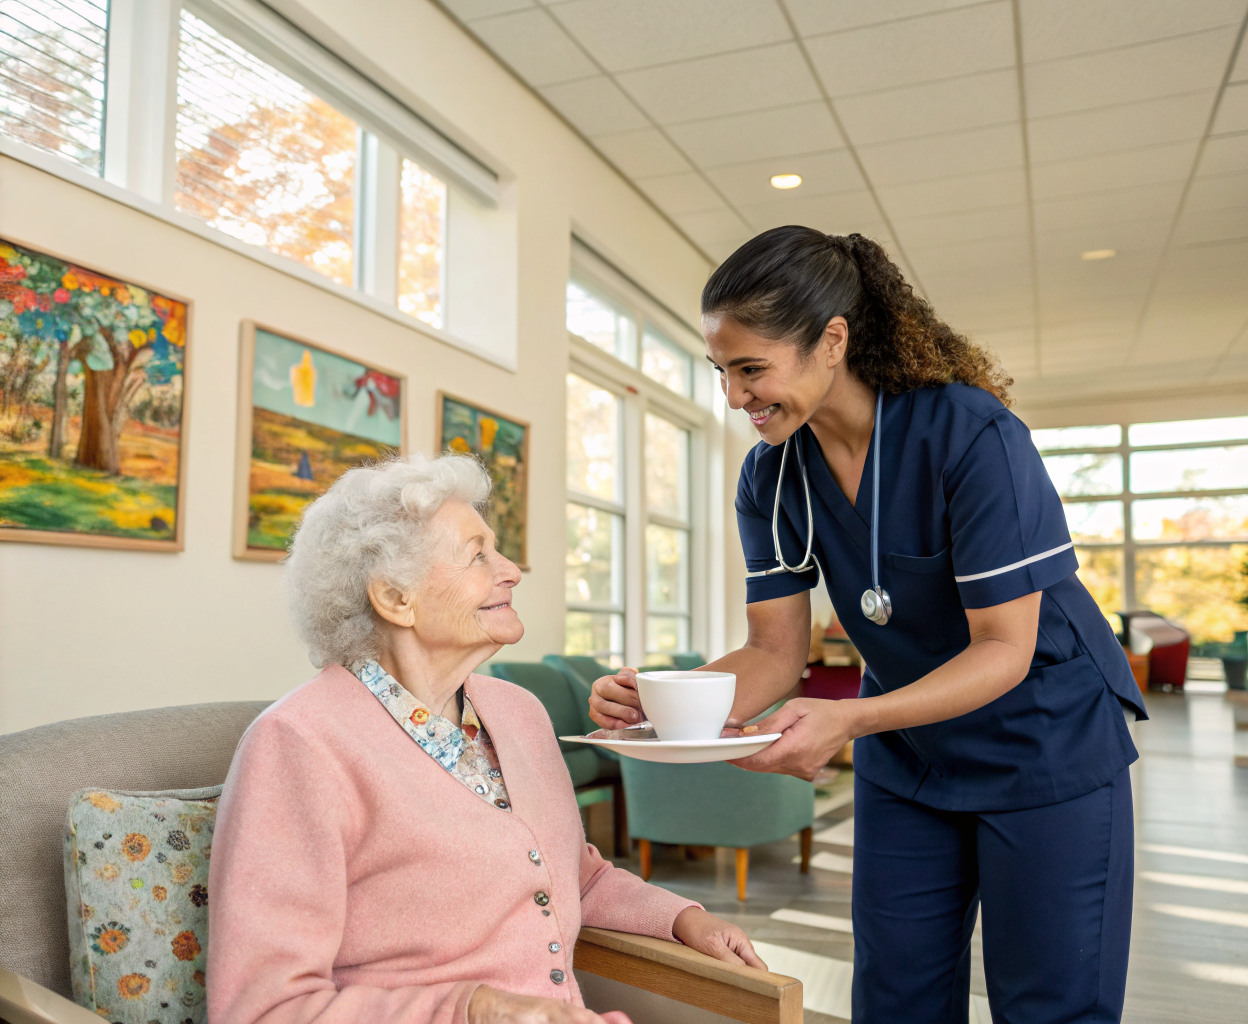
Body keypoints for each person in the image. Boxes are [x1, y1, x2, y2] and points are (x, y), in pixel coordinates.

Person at [589, 226, 1147, 1024]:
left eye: (751, 369)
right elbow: (774, 652)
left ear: (831, 341)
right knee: (895, 998)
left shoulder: (970, 434)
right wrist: (670, 704)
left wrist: (850, 719)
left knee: (1049, 1003)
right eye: (721, 371)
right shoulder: (771, 473)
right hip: (910, 755)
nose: (733, 396)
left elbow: (1003, 647)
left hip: (1044, 739)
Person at [208, 454, 764, 1024]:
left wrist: (683, 918)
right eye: (478, 555)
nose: (512, 570)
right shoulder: (298, 744)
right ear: (396, 598)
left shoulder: (517, 711)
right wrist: (474, 1010)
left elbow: (574, 875)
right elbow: (262, 1008)